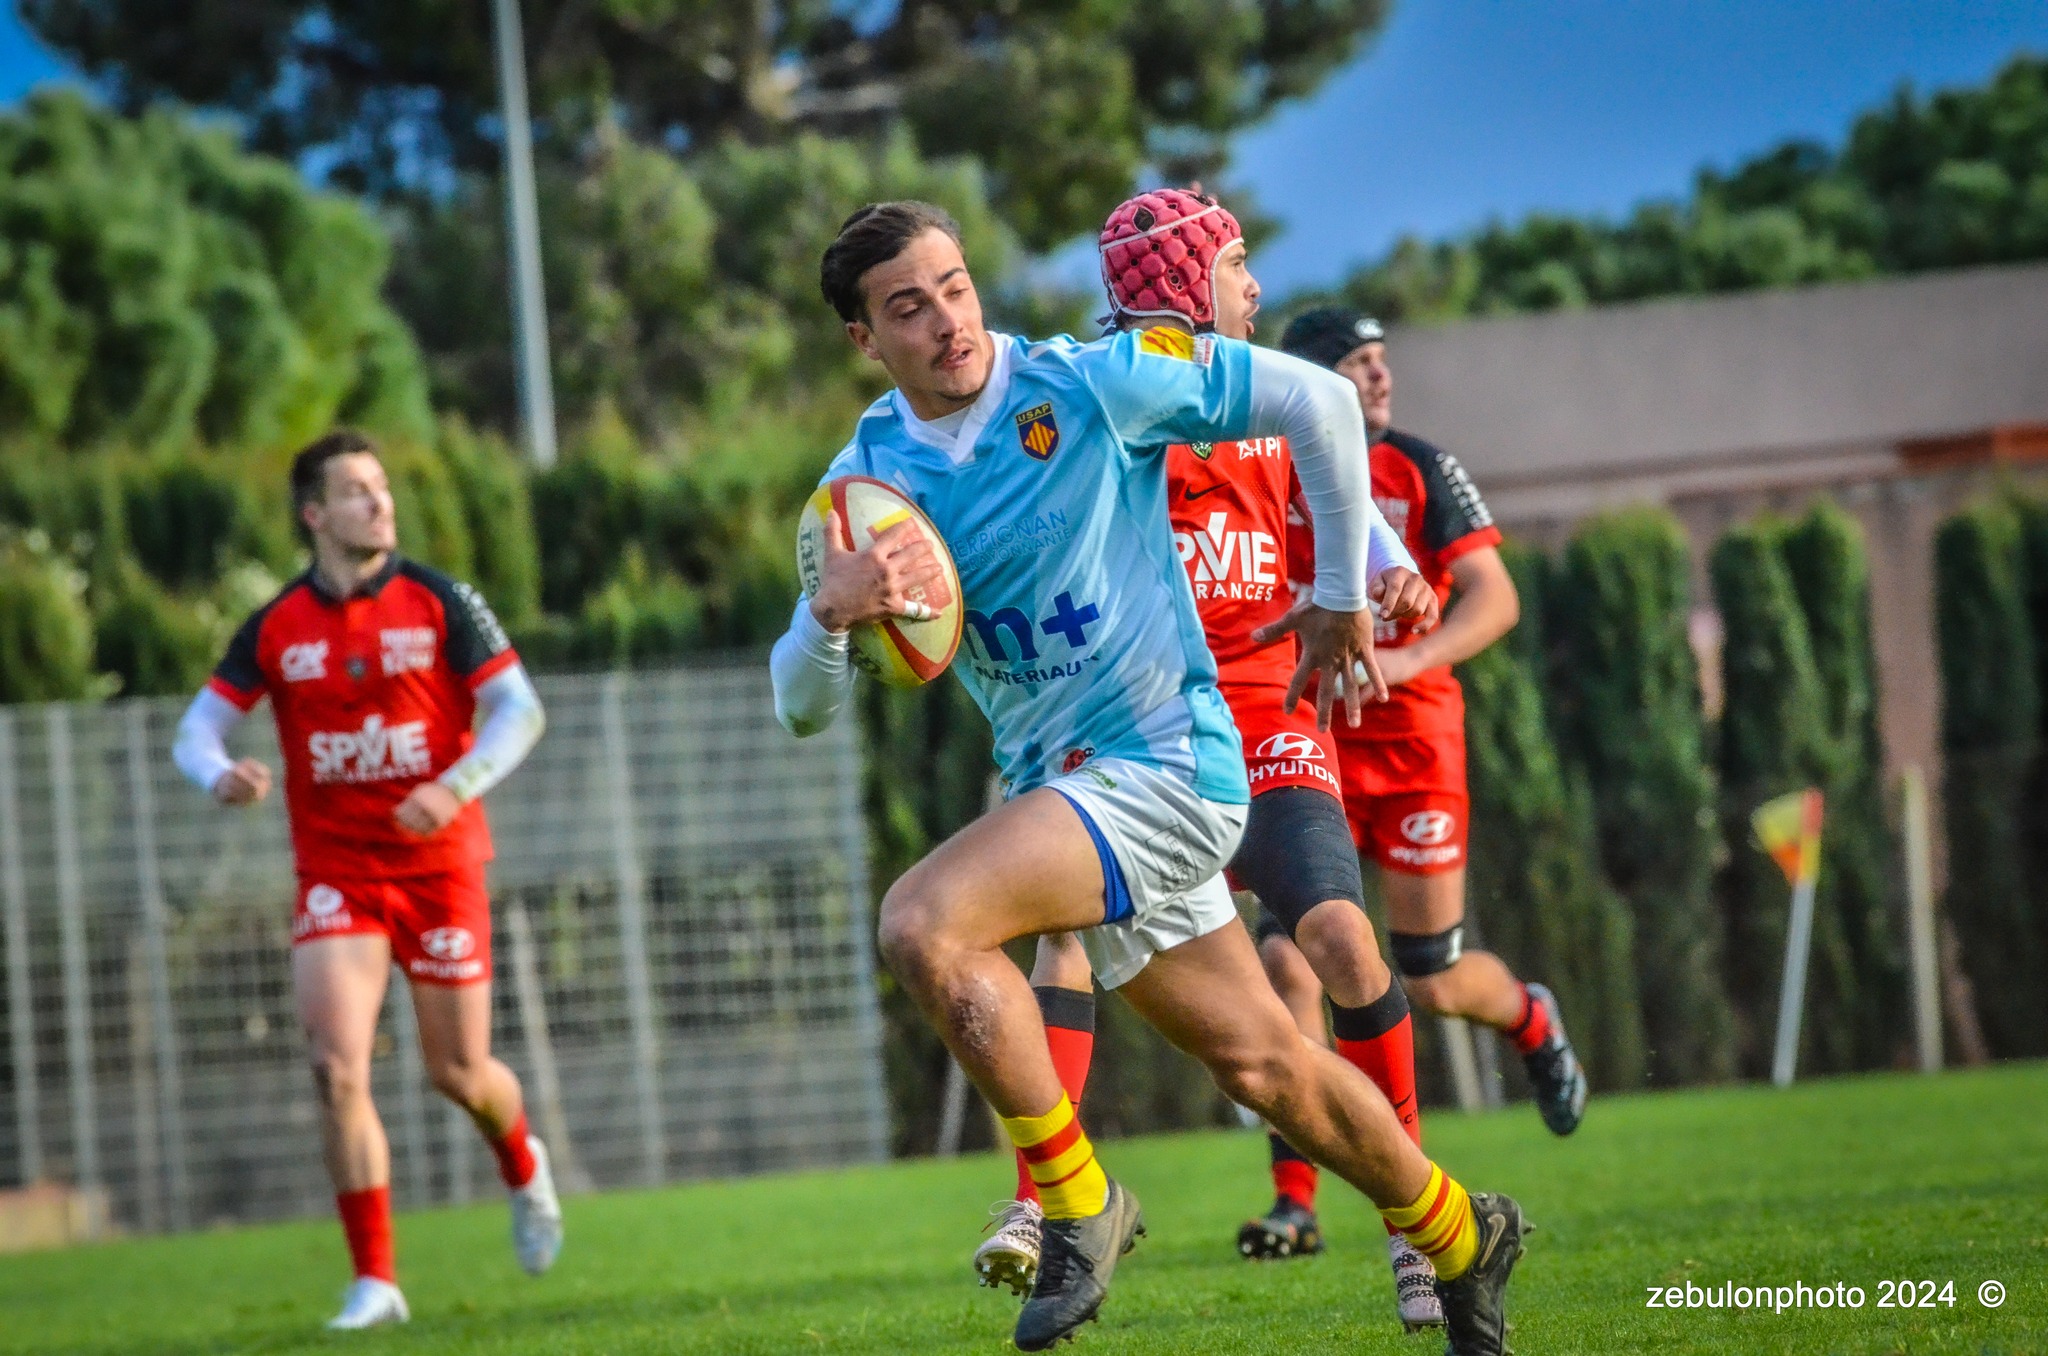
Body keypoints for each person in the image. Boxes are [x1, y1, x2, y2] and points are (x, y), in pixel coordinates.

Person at [773, 200, 1527, 1355]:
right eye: (907, 308)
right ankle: (1463, 1237)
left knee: (922, 923)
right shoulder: (862, 486)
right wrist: (831, 615)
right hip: (1069, 787)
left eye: (956, 286)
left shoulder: (1089, 383)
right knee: (1268, 1064)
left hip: (1167, 763)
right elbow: (799, 706)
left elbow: (1317, 401)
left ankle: (1075, 1207)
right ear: (864, 341)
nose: (947, 322)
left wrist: (1333, 593)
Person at [970, 189, 1446, 1335]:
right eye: (1236, 265)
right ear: (1190, 282)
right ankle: (1042, 1207)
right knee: (1067, 942)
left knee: (1337, 939)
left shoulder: (1269, 399)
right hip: (1137, 738)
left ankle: (1413, 1238)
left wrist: (1379, 574)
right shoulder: (1112, 399)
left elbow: (1350, 483)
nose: (1257, 289)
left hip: (1265, 720)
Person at [171, 431, 561, 1330]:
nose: (379, 504)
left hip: (441, 867)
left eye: (381, 488)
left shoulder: (439, 599)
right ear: (315, 514)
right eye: (356, 491)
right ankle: (375, 1282)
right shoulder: (276, 626)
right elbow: (196, 730)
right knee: (334, 1067)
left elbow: (519, 710)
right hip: (336, 875)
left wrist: (453, 784)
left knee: (459, 1072)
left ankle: (523, 1165)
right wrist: (217, 775)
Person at [1250, 307, 1588, 1204]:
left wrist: (1402, 658)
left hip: (1413, 750)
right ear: (1313, 381)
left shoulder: (1420, 467)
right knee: (1291, 959)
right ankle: (1296, 1200)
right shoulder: (1268, 461)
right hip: (1306, 736)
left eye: (1381, 360)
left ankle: (1529, 1017)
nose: (1379, 377)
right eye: (1356, 364)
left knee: (1430, 975)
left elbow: (1494, 598)